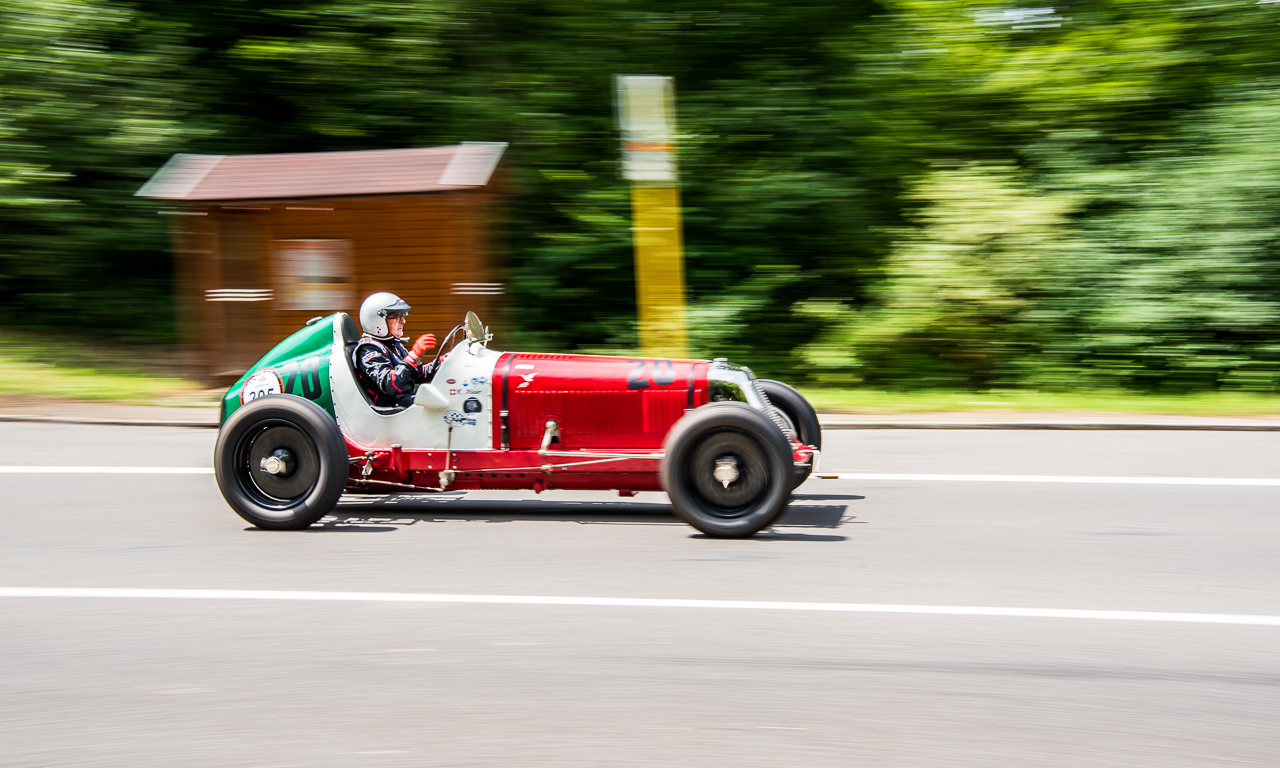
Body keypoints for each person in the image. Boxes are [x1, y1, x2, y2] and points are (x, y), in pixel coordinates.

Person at [352, 292, 436, 410]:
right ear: (378, 321)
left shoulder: (393, 345)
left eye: (402, 316)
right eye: (397, 316)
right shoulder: (368, 350)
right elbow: (389, 384)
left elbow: (419, 374)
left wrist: (444, 360)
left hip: (406, 404)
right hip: (393, 411)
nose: (403, 321)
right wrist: (414, 354)